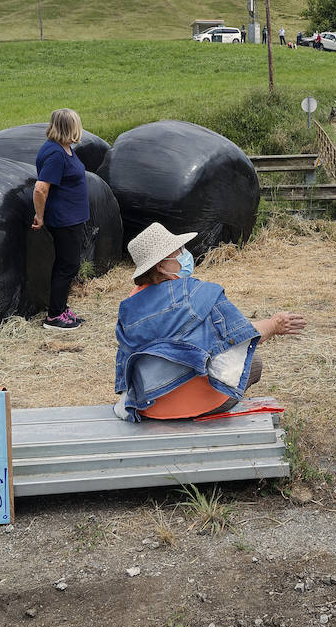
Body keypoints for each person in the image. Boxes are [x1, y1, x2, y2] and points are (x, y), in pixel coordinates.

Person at [113, 223, 305, 420]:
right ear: (161, 267)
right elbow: (241, 335)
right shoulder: (199, 294)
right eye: (178, 251)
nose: (184, 254)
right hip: (194, 405)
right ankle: (202, 405)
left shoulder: (129, 305)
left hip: (146, 406)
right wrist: (274, 324)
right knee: (253, 363)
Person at [32, 108, 90, 330]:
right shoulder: (55, 153)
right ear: (70, 127)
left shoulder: (64, 148)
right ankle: (54, 316)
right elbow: (40, 188)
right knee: (67, 265)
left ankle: (61, 308)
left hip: (72, 217)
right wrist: (40, 216)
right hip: (64, 219)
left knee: (68, 264)